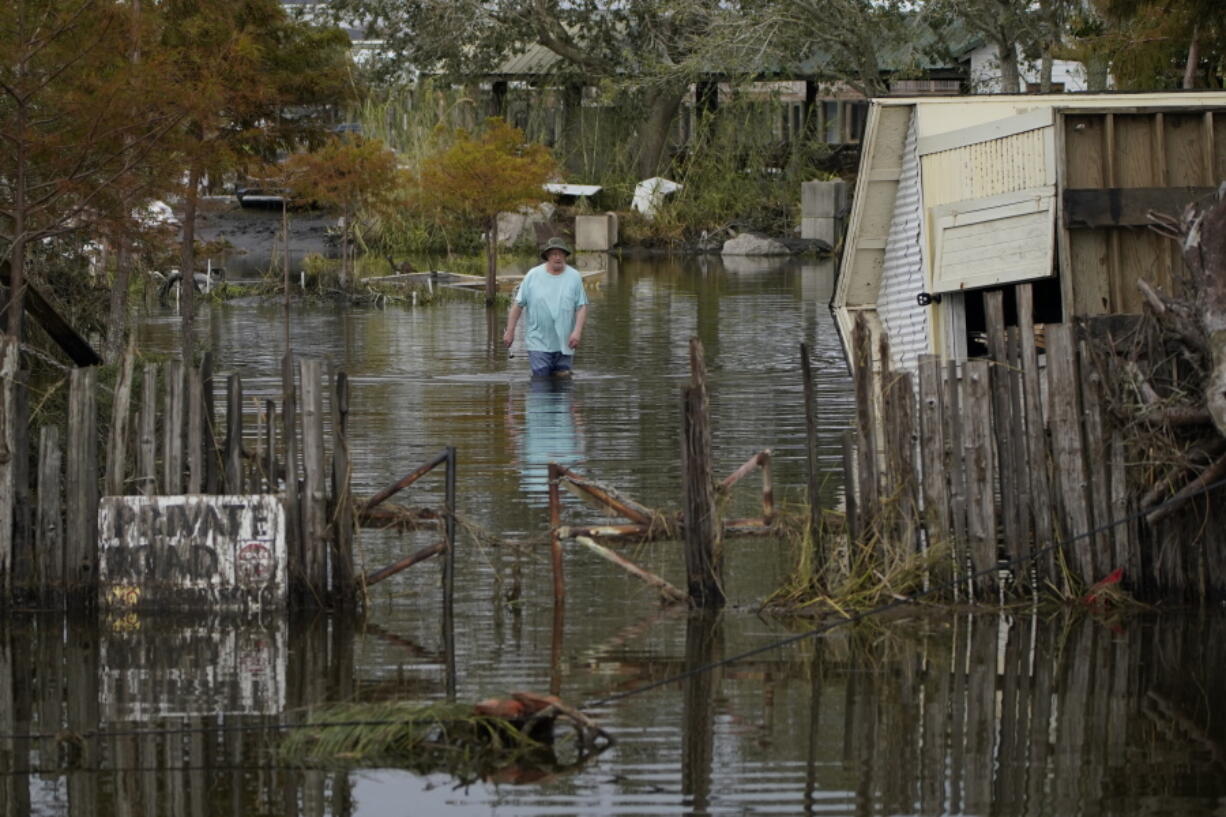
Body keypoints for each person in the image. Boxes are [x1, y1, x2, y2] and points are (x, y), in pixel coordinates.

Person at [503, 236, 589, 378]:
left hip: (565, 342)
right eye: (554, 253)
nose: (558, 257)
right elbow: (518, 305)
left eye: (561, 253)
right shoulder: (533, 275)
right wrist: (510, 331)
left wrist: (577, 332)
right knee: (541, 381)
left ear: (565, 256)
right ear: (547, 256)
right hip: (538, 342)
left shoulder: (574, 277)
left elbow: (582, 306)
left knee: (563, 383)